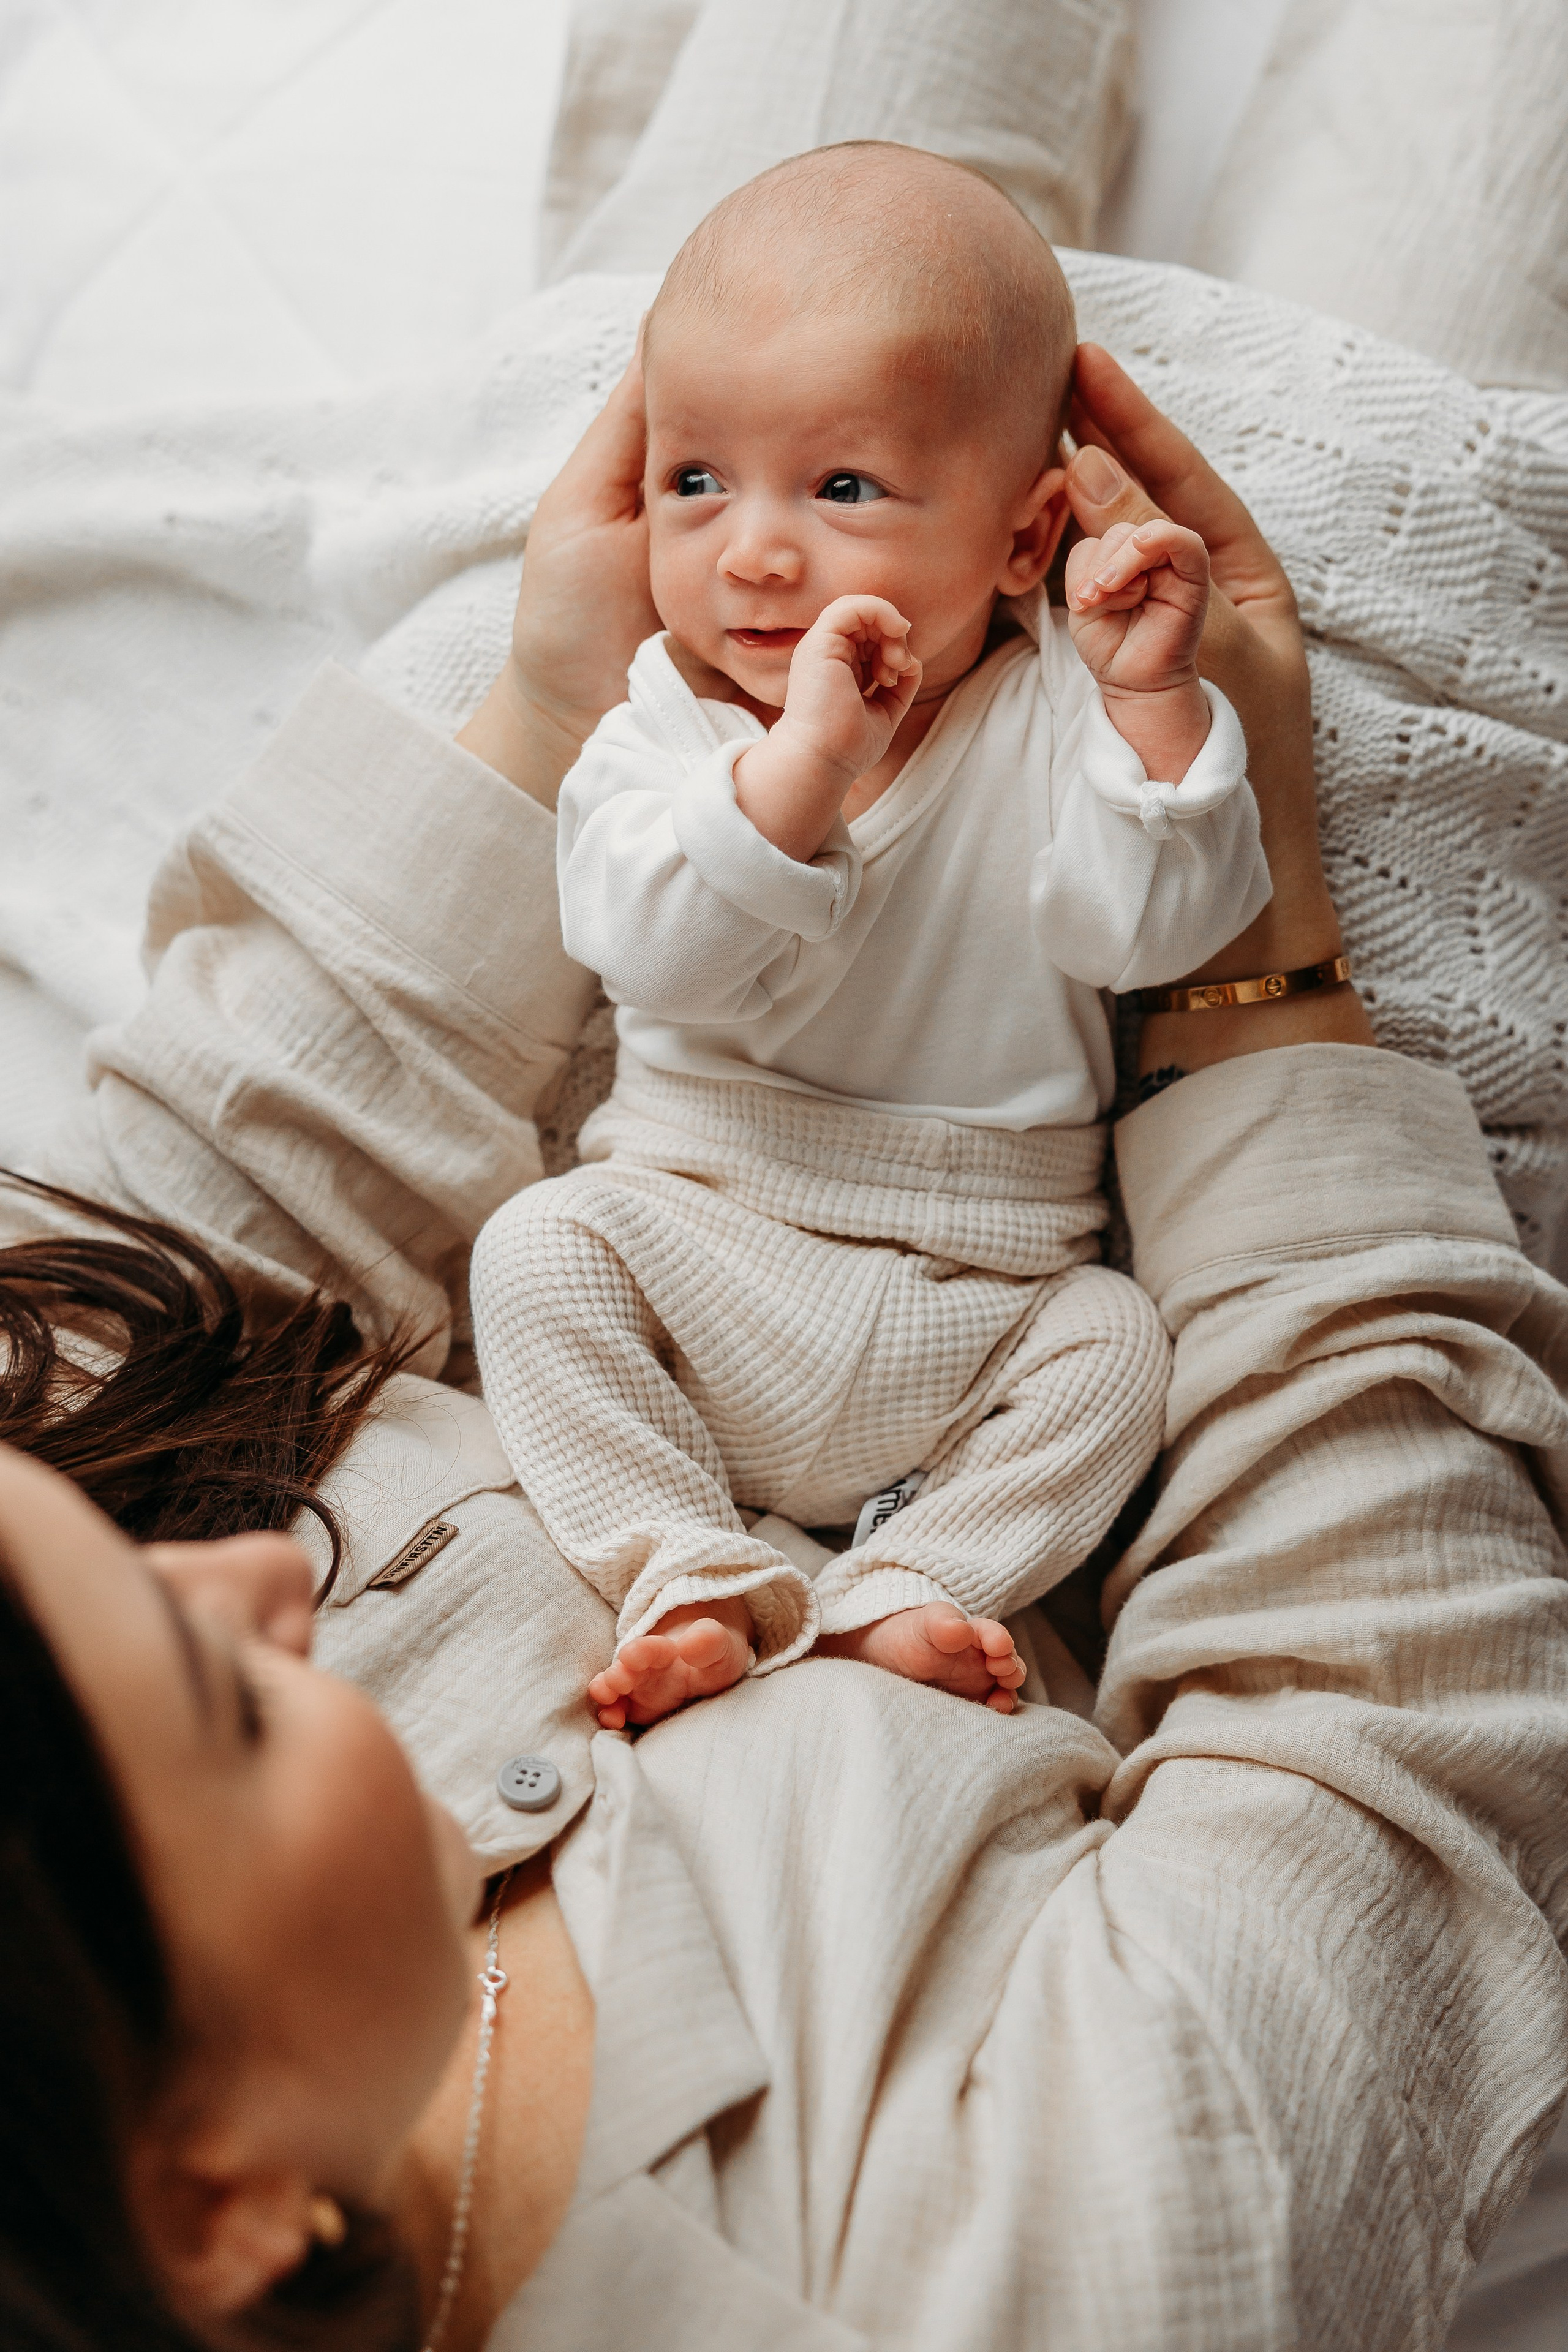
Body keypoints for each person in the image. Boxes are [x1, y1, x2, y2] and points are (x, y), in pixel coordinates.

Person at [2, 337, 1567, 2352]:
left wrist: (571, 690)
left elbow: (179, 1227)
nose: (249, 1576)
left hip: (636, 860)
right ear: (210, 2206)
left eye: (123, 1557)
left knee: (805, 241)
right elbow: (1387, 1708)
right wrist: (1246, 904)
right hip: (1178, 1195)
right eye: (214, 1712)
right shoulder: (1040, 2276)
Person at [473, 145, 1269, 1731]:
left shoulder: (1060, 710)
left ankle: (910, 1586)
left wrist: (1157, 707)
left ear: (1031, 539)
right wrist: (799, 777)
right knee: (536, 1251)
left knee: (1118, 1351)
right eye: (698, 481)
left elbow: (1149, 931)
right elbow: (648, 945)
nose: (755, 552)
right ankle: (690, 1567)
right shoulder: (667, 725)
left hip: (981, 1282)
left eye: (841, 487)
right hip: (699, 1237)